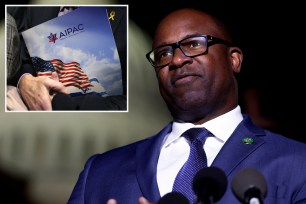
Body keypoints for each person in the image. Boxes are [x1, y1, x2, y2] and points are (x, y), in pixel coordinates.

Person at [67, 7, 306, 204]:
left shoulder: (297, 162)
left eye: (193, 44)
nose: (177, 59)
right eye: (163, 54)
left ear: (234, 59)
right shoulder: (100, 173)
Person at [7, 6, 127, 111]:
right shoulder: (37, 9)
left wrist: (60, 104)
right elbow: (21, 56)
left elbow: (137, 99)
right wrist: (23, 81)